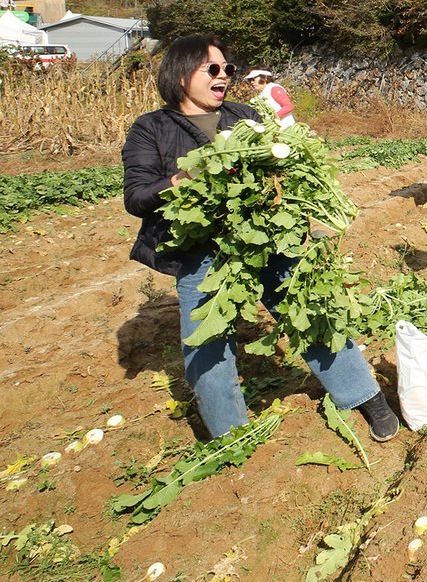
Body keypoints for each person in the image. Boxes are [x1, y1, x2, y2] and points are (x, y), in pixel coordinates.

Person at [121, 35, 399, 442]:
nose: (225, 76)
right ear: (181, 75)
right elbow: (136, 196)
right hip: (201, 253)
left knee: (313, 314)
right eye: (213, 69)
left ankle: (365, 397)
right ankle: (229, 436)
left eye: (228, 69)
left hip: (265, 241)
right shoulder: (153, 128)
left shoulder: (244, 115)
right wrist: (182, 179)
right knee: (206, 344)